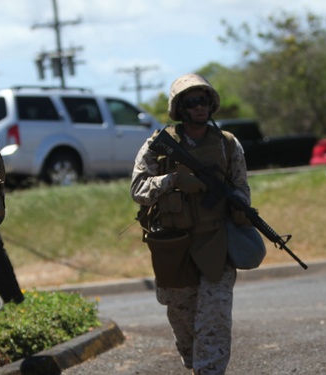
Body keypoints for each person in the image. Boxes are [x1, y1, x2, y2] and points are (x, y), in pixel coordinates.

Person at [130, 73, 250, 374]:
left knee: (214, 321)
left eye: (204, 101)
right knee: (183, 322)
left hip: (216, 243)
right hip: (175, 246)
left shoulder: (227, 145)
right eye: (192, 102)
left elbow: (242, 188)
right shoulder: (160, 145)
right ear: (180, 108)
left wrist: (239, 206)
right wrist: (173, 181)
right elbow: (138, 190)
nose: (200, 107)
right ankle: (196, 363)